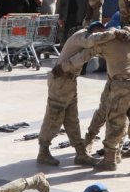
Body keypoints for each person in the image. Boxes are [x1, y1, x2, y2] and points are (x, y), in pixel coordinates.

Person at [37, 22, 120, 167]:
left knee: (72, 118)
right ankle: (43, 152)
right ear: (94, 29)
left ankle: (80, 153)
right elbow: (91, 42)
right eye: (100, 32)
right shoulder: (81, 36)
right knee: (54, 116)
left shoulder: (88, 41)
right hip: (60, 81)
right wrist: (113, 33)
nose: (101, 35)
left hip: (69, 80)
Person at [91, 27, 130, 174]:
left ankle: (110, 160)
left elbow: (90, 43)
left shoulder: (106, 42)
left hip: (122, 83)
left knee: (115, 121)